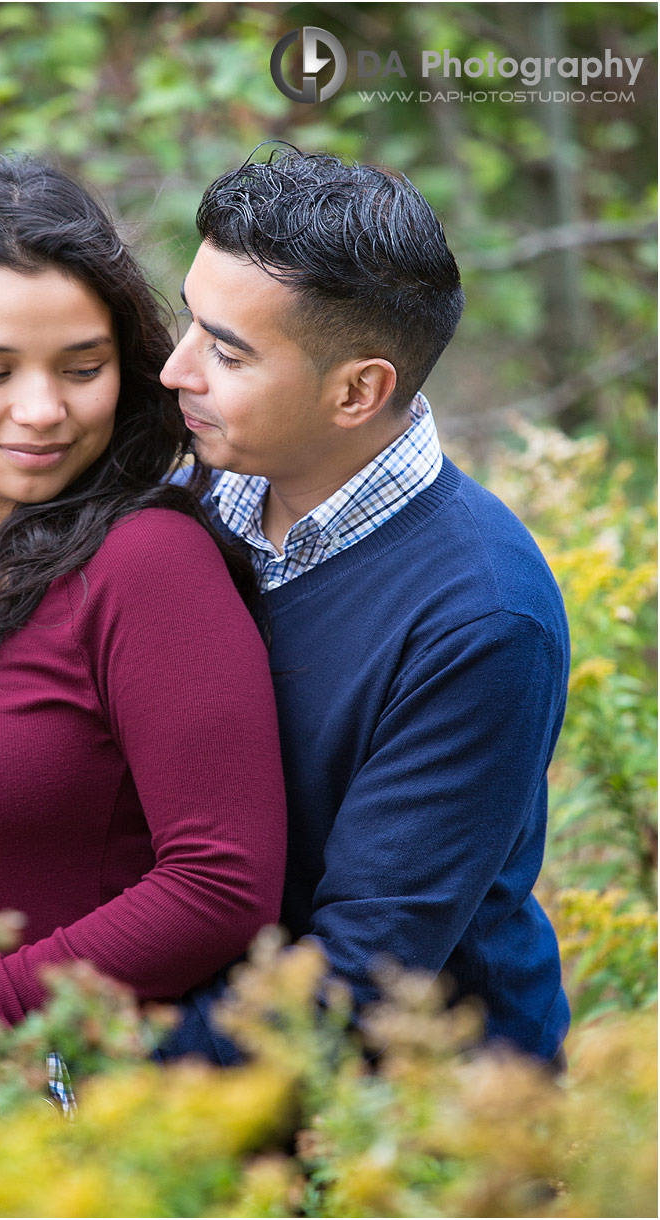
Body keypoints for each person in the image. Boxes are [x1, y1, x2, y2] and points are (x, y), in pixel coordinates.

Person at [0, 155, 287, 1070]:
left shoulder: (144, 564)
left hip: (46, 1121)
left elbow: (222, 882)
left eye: (81, 368)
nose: (42, 410)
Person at [159, 148, 571, 1070]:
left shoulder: (481, 620)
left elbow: (360, 972)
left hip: (412, 1134)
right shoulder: (189, 491)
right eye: (190, 323)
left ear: (357, 391)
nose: (174, 371)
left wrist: (84, 1078)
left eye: (226, 352)